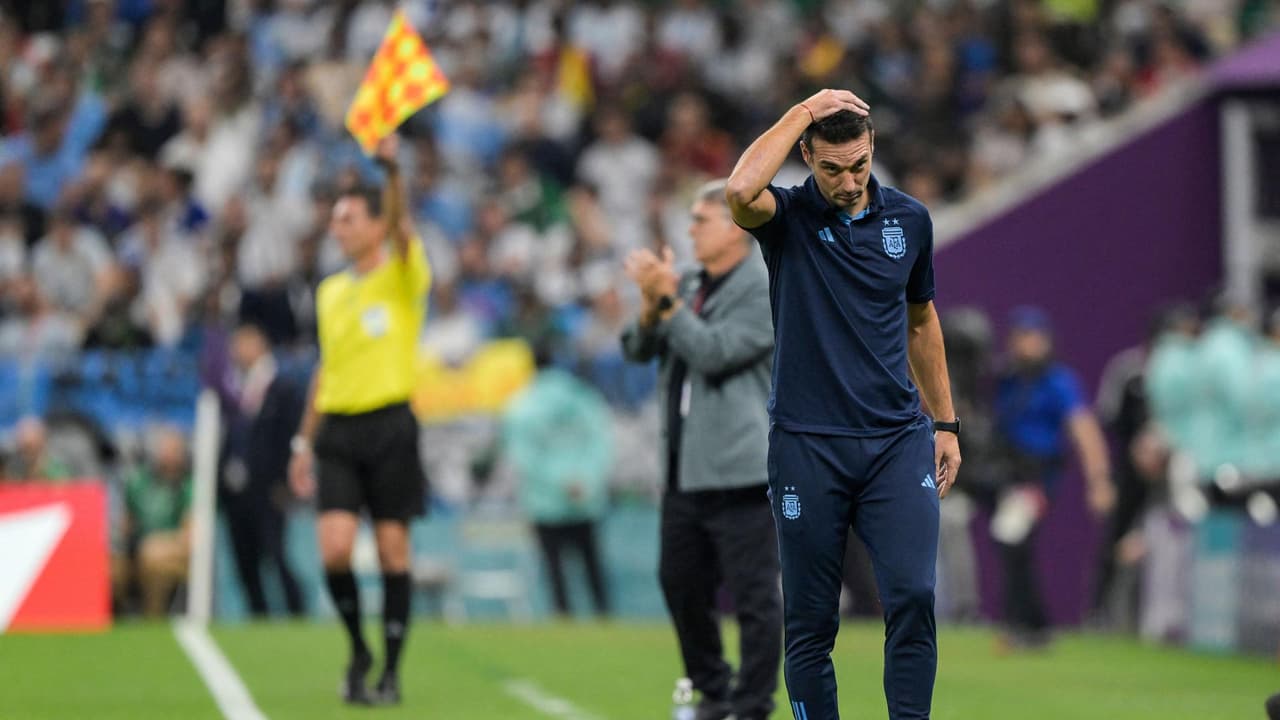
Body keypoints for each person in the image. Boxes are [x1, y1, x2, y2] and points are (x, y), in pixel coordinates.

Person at [726, 90, 961, 720]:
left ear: (872, 147)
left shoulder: (909, 220)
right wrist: (803, 111)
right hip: (807, 445)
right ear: (807, 157)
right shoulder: (787, 217)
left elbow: (921, 321)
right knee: (810, 620)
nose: (849, 181)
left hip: (895, 441)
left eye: (858, 164)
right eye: (832, 169)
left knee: (912, 595)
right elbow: (740, 191)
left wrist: (945, 423)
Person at [621, 179, 781, 720]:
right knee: (680, 583)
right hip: (683, 467)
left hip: (740, 466)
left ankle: (753, 703)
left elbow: (715, 352)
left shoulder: (764, 286)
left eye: (700, 220)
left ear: (735, 227)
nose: (689, 230)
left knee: (754, 595)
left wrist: (667, 302)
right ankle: (713, 691)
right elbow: (636, 348)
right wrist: (651, 304)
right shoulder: (687, 282)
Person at [287, 134, 430, 706]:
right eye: (334, 220)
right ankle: (357, 649)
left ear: (376, 225)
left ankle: (391, 671)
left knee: (394, 552)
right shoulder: (329, 292)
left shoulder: (401, 275)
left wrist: (392, 173)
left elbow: (403, 231)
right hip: (340, 431)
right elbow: (327, 369)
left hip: (391, 426)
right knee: (335, 549)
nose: (337, 229)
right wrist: (303, 442)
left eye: (348, 219)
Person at [990, 307, 1113, 649]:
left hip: (1037, 478)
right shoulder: (1008, 379)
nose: (1027, 345)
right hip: (1006, 475)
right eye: (1021, 337)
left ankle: (1029, 625)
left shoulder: (1058, 381)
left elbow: (1084, 429)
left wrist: (1099, 479)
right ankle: (1031, 625)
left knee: (1012, 539)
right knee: (1013, 545)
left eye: (1034, 337)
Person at [501, 350, 614, 619]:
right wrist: (584, 481)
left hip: (545, 503)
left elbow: (523, 458)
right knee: (593, 568)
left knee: (555, 572)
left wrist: (558, 483)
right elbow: (602, 444)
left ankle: (563, 620)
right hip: (585, 499)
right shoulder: (584, 397)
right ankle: (605, 619)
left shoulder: (521, 404)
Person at [221, 323, 305, 618]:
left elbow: (290, 434)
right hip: (237, 491)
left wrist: (284, 482)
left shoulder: (282, 387)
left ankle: (297, 611)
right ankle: (258, 614)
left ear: (260, 343)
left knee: (277, 554)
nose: (236, 350)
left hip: (269, 489)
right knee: (245, 559)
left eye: (243, 342)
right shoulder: (234, 387)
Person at [118, 426, 193, 617]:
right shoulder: (140, 482)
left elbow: (190, 537)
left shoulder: (187, 486)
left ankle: (153, 616)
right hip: (135, 549)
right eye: (165, 451)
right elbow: (126, 524)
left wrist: (156, 545)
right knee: (113, 569)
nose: (169, 457)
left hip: (170, 552)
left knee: (151, 558)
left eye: (174, 451)